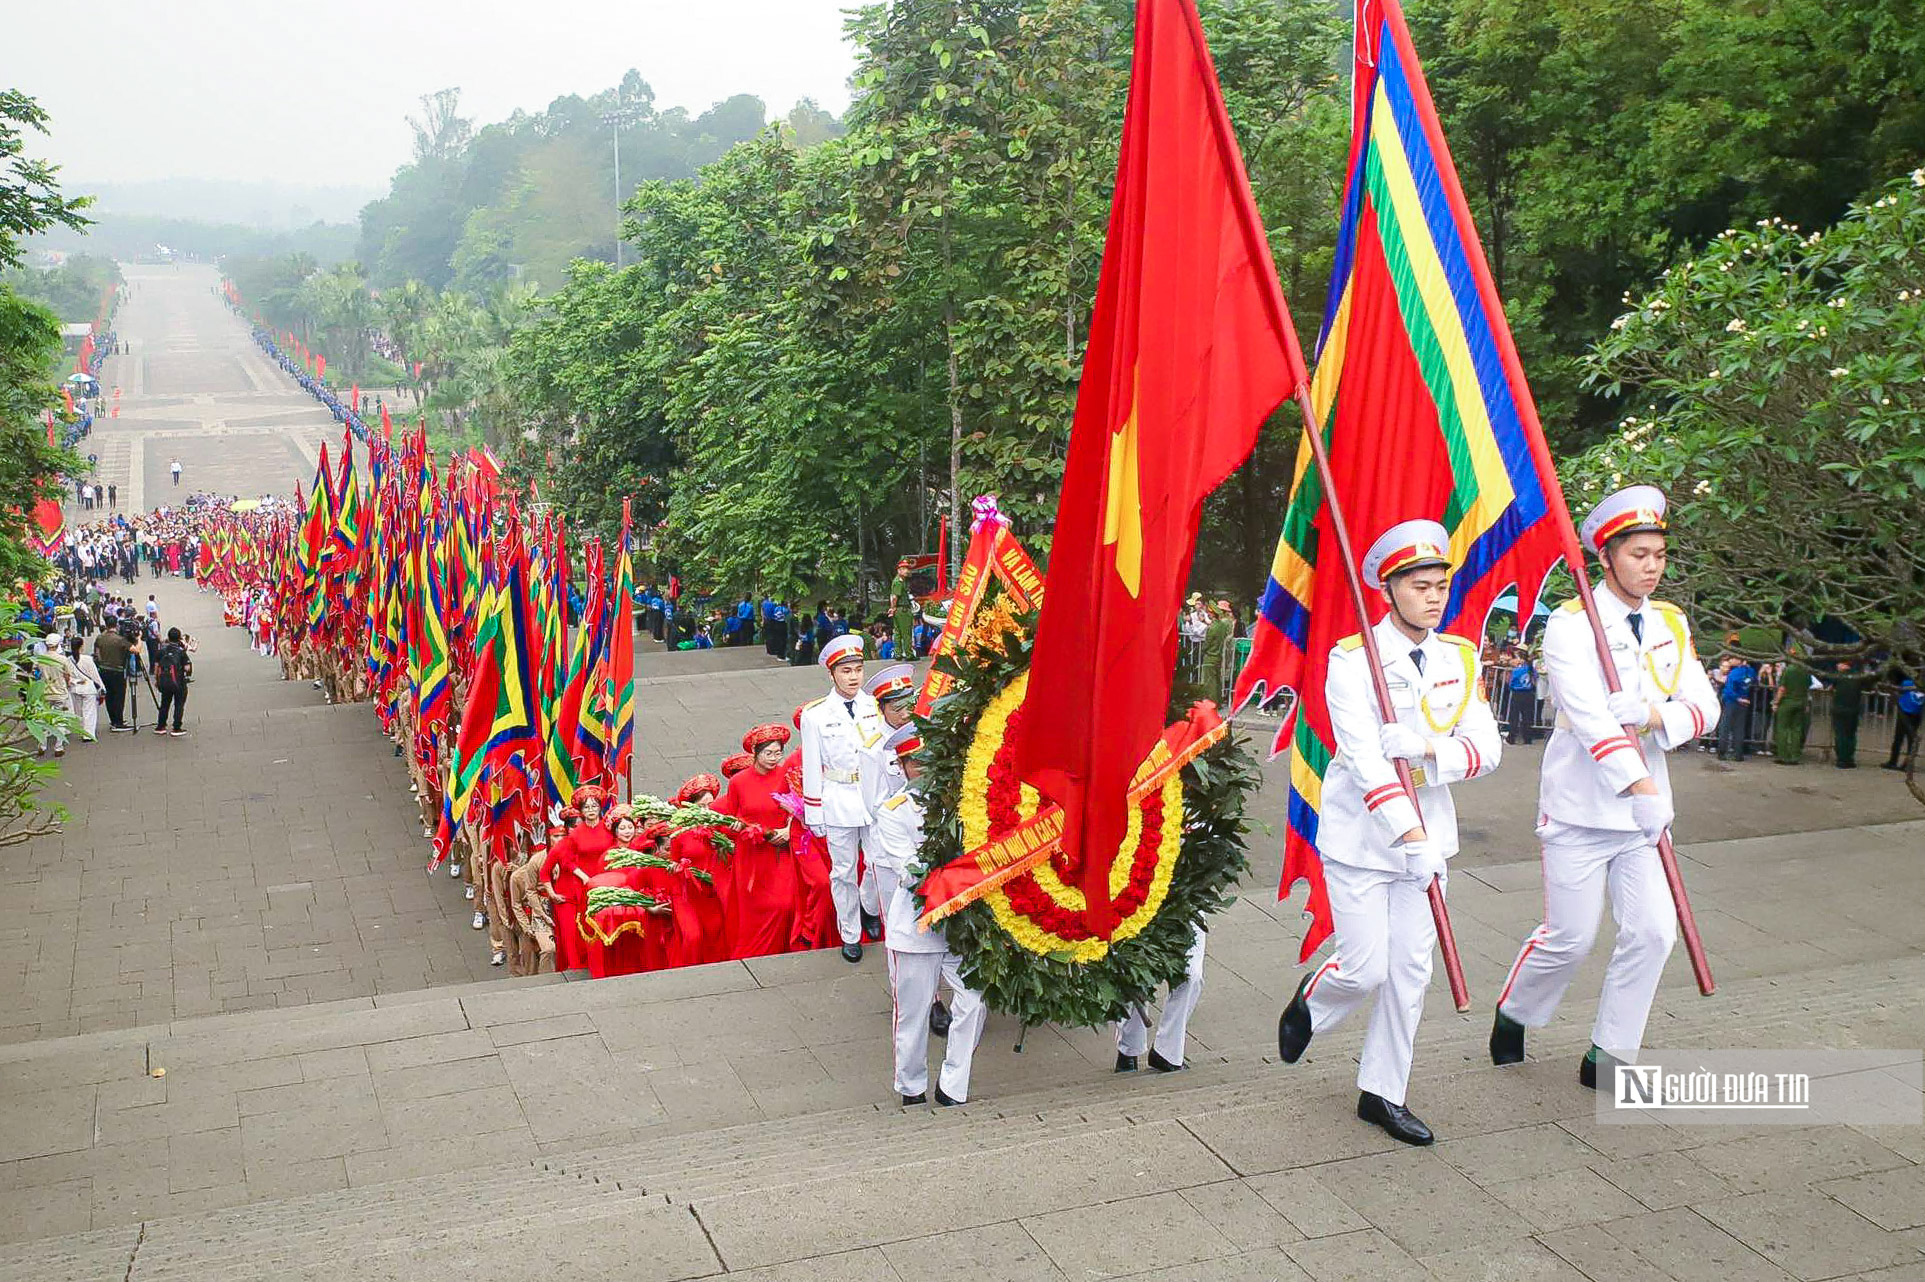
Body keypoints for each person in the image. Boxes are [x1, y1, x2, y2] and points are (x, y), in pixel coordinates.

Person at [1275, 519, 1500, 1146]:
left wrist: (1430, 750)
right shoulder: (1351, 661)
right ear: (1388, 590)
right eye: (1421, 586)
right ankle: (1312, 1002)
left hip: (1431, 837)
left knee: (1410, 972)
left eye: (1441, 585)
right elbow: (1365, 760)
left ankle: (1383, 1092)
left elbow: (1487, 748)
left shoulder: (1459, 656)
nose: (1434, 597)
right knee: (1366, 967)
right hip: (1364, 840)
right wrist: (1408, 834)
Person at [1490, 486, 1718, 1088]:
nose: (1651, 566)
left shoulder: (1671, 621)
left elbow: (1706, 708)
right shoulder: (1570, 625)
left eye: (1659, 555)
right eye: (1639, 554)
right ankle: (1516, 1010)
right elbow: (1590, 721)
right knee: (1570, 937)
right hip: (1581, 810)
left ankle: (1610, 1052)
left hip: (1645, 814)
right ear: (1607, 556)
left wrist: (1652, 717)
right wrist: (1639, 784)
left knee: (1652, 932)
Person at [875, 724, 986, 1106]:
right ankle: (911, 1087)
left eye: (927, 759)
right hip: (918, 925)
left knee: (973, 1001)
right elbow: (909, 871)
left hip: (961, 922)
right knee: (913, 1015)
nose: (923, 767)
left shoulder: (962, 801)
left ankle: (953, 1084)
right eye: (913, 762)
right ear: (902, 766)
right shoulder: (891, 813)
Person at [800, 634, 885, 961]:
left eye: (857, 670)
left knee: (878, 863)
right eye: (846, 671)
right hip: (837, 798)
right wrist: (815, 812)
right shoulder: (816, 714)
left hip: (873, 797)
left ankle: (870, 905)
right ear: (832, 674)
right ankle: (850, 932)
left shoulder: (875, 706)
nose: (853, 677)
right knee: (843, 871)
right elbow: (811, 765)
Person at [711, 736, 801, 960]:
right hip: (752, 854)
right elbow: (730, 819)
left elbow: (799, 807)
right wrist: (744, 829)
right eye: (768, 753)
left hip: (782, 850)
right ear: (755, 754)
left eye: (777, 753)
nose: (773, 758)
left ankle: (785, 948)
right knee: (756, 909)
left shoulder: (786, 777)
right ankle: (757, 954)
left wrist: (789, 829)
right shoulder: (739, 782)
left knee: (785, 904)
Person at [1116, 924, 1206, 1075]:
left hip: (1187, 908)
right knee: (1135, 972)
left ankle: (1167, 1052)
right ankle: (1129, 1048)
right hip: (1137, 908)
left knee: (1191, 977)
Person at [1773, 645, 1812, 764]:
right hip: (1801, 701)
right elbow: (1807, 687)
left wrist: (1776, 702)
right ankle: (1795, 755)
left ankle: (1783, 755)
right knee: (1797, 729)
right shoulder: (1806, 670)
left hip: (1787, 702)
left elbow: (1782, 688)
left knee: (1782, 729)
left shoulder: (1789, 670)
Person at [94, 618, 134, 732]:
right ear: (116, 625)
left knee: (109, 696)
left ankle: (113, 720)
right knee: (119, 696)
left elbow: (97, 653)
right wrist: (138, 638)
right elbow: (135, 650)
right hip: (118, 671)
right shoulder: (119, 639)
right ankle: (119, 722)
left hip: (104, 670)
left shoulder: (100, 637)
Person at [152, 626, 192, 736]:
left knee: (164, 703)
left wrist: (157, 680)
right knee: (179, 704)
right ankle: (176, 727)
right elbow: (187, 668)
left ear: (168, 638)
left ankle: (161, 726)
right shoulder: (181, 652)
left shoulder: (161, 651)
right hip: (179, 682)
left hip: (165, 682)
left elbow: (156, 668)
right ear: (179, 638)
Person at [1716, 655, 1754, 762]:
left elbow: (1729, 690)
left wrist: (1737, 698)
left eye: (1733, 659)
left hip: (1732, 702)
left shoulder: (1733, 673)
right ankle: (1738, 754)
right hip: (1744, 702)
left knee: (1725, 727)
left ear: (1739, 660)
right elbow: (1752, 681)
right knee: (1739, 729)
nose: (1731, 660)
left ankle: (1722, 752)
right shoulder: (1750, 671)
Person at [1828, 661, 1866, 768]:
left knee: (1840, 734)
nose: (1837, 666)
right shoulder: (1858, 676)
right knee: (1851, 734)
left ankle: (1842, 759)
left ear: (1845, 665)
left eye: (1839, 664)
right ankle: (1850, 758)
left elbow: (1830, 688)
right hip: (1853, 710)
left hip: (1840, 709)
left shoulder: (1838, 676)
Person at [67, 635, 102, 743]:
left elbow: (67, 675)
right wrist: (101, 687)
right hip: (88, 688)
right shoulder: (87, 659)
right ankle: (88, 734)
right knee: (89, 711)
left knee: (80, 711)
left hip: (76, 688)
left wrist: (74, 682)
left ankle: (83, 730)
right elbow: (95, 675)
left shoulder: (68, 660)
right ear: (81, 646)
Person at [1886, 678, 1922, 771]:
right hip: (1916, 717)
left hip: (1904, 715)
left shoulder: (1906, 691)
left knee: (1898, 739)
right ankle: (1908, 764)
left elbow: (1897, 697)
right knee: (1911, 741)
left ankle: (1893, 762)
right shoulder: (1919, 692)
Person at [1504, 648, 1538, 744]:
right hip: (1529, 693)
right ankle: (1527, 738)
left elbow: (1512, 682)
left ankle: (1511, 738)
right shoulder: (1530, 668)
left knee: (1514, 716)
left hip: (1517, 693)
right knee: (1527, 716)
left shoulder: (1517, 670)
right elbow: (1535, 677)